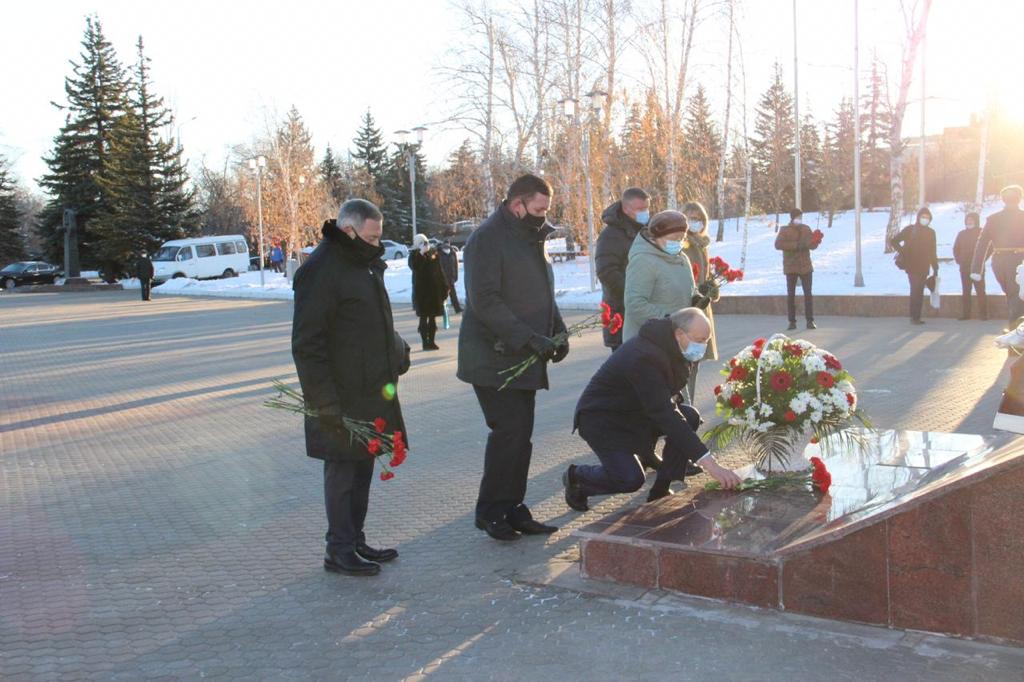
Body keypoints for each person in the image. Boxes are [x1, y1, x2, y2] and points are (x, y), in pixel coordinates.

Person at [292, 199, 410, 577]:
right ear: (349, 230)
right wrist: (324, 403)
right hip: (339, 396)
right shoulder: (321, 270)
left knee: (362, 468)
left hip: (369, 389)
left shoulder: (361, 263)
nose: (378, 244)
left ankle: (355, 540)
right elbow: (308, 344)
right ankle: (338, 550)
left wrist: (397, 351)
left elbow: (372, 322)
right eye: (372, 237)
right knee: (342, 473)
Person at [457, 173, 569, 542]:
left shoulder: (529, 236)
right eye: (538, 209)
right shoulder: (486, 240)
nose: (543, 216)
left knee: (521, 435)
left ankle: (513, 507)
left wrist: (557, 330)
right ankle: (490, 511)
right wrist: (528, 338)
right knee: (507, 432)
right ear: (517, 204)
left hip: (523, 353)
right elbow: (484, 300)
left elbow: (542, 291)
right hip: (493, 357)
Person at [563, 308, 741, 508]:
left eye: (706, 340)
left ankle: (661, 488)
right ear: (679, 334)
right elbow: (665, 414)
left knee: (689, 416)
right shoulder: (644, 356)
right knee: (630, 479)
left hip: (635, 413)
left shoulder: (672, 346)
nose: (702, 346)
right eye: (699, 340)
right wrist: (710, 464)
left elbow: (664, 401)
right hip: (603, 420)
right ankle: (577, 478)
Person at [622, 210, 694, 342]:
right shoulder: (643, 260)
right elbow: (635, 303)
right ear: (654, 238)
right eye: (673, 239)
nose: (677, 243)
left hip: (677, 338)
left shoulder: (682, 258)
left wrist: (698, 298)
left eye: (681, 239)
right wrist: (669, 322)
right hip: (649, 340)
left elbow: (683, 291)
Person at [596, 187, 650, 351]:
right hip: (622, 311)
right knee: (625, 369)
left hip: (645, 310)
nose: (645, 213)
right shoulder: (610, 235)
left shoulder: (648, 231)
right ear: (626, 209)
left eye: (647, 208)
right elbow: (607, 272)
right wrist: (634, 293)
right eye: (640, 209)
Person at [681, 201, 719, 403]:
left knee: (695, 361)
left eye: (699, 219)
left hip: (702, 308)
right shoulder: (683, 244)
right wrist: (697, 291)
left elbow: (707, 273)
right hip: (689, 308)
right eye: (691, 218)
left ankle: (689, 406)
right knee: (686, 361)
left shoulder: (702, 244)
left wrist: (713, 287)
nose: (695, 222)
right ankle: (684, 408)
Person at [971, 185, 1024, 325]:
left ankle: (1015, 335)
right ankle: (1015, 339)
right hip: (1019, 261)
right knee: (1016, 297)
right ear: (1019, 198)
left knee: (1013, 296)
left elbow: (982, 244)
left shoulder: (993, 219)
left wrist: (976, 269)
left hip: (999, 262)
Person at [892, 207, 939, 326]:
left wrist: (935, 266)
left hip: (924, 265)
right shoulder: (910, 230)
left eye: (927, 217)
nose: (925, 219)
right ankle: (914, 316)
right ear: (918, 217)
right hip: (912, 265)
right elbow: (894, 241)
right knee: (915, 289)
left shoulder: (931, 232)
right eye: (923, 217)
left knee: (919, 291)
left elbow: (933, 250)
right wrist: (903, 252)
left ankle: (916, 316)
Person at [774, 208, 818, 331]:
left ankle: (810, 320)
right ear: (792, 218)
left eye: (801, 217)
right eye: (797, 217)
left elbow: (811, 245)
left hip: (806, 266)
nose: (800, 219)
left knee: (808, 294)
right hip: (791, 267)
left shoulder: (806, 228)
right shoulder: (784, 230)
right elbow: (778, 244)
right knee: (791, 295)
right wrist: (796, 245)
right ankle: (792, 321)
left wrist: (816, 241)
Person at [408, 234, 449, 350]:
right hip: (421, 292)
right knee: (423, 317)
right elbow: (415, 267)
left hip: (433, 291)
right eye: (421, 242)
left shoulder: (433, 253)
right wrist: (421, 253)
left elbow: (439, 270)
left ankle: (431, 341)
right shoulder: (414, 255)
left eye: (425, 242)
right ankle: (424, 342)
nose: (425, 244)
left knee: (433, 318)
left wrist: (445, 286)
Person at [953, 211, 987, 321]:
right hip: (964, 267)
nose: (969, 222)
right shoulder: (961, 234)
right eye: (967, 220)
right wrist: (959, 260)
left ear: (976, 221)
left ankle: (984, 314)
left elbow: (989, 248)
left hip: (978, 267)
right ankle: (966, 314)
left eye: (971, 220)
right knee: (966, 291)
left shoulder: (982, 232)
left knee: (980, 291)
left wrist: (981, 260)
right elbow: (955, 249)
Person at [437, 239, 462, 314]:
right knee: (443, 295)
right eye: (445, 244)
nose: (447, 246)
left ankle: (457, 308)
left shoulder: (452, 252)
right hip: (442, 278)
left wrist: (455, 276)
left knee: (453, 294)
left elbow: (455, 265)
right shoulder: (439, 253)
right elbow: (438, 266)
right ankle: (440, 310)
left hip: (451, 278)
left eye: (448, 244)